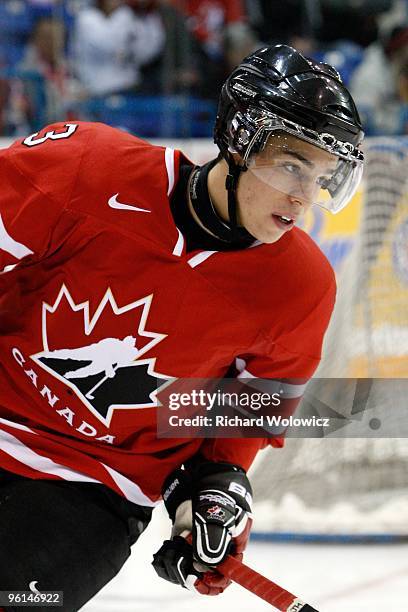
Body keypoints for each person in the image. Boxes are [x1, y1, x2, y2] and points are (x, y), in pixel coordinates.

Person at [0, 45, 364, 610]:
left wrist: (216, 488)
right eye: (292, 164)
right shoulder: (85, 167)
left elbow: (237, 424)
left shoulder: (300, 290)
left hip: (94, 492)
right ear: (239, 143)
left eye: (320, 176)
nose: (303, 195)